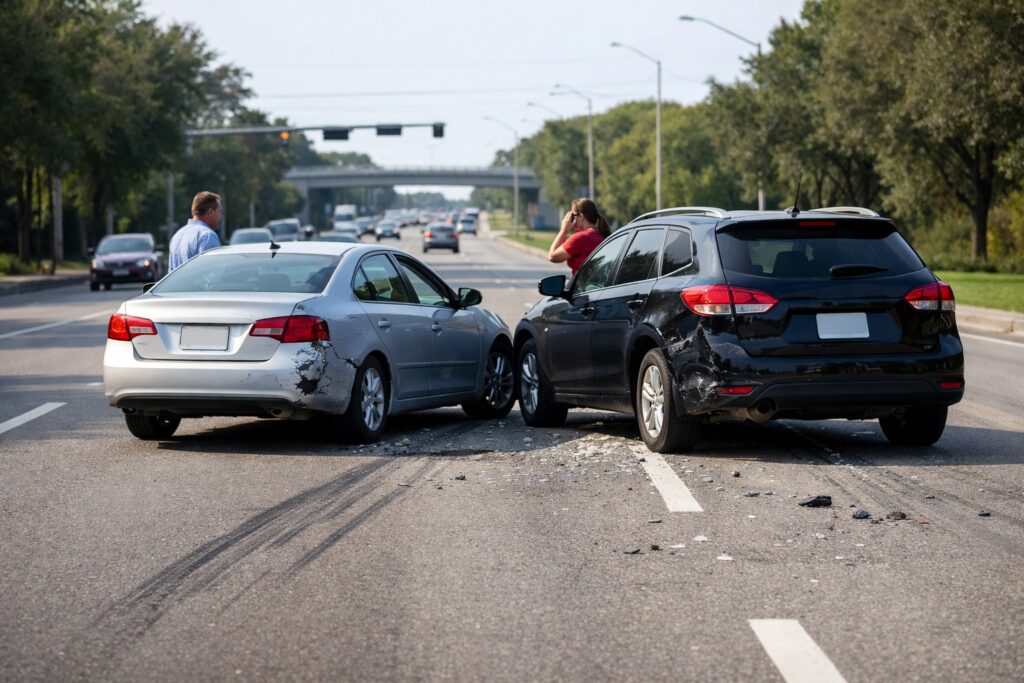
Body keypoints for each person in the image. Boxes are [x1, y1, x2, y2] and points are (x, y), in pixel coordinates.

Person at [547, 198, 612, 276]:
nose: (570, 220)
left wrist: (563, 230)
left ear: (581, 216)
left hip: (581, 283)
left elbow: (552, 257)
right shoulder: (603, 235)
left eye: (573, 216)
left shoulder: (580, 238)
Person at [169, 191, 223, 271]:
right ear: (210, 212)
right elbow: (213, 272)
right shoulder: (207, 236)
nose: (221, 216)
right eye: (220, 211)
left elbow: (170, 274)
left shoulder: (177, 236)